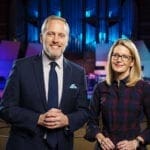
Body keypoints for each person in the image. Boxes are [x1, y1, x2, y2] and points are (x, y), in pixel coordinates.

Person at [0, 15, 89, 150]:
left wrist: (67, 120)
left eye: (61, 35)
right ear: (42, 37)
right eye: (50, 34)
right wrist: (38, 119)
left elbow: (83, 111)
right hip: (24, 145)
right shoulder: (21, 67)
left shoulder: (78, 72)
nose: (55, 40)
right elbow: (5, 108)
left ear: (67, 40)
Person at [85, 39, 150, 150]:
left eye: (125, 57)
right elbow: (91, 123)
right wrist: (100, 138)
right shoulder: (100, 88)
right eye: (115, 55)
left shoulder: (144, 88)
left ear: (132, 62)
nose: (119, 60)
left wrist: (136, 142)